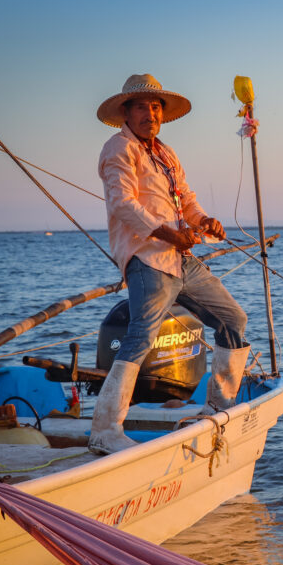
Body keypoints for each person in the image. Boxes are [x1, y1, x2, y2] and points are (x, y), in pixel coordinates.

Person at [89, 73, 249, 455]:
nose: (151, 113)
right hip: (148, 259)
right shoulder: (118, 148)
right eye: (142, 107)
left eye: (156, 106)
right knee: (141, 336)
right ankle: (105, 430)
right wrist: (169, 234)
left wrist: (203, 221)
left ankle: (217, 408)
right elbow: (123, 204)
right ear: (126, 112)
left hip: (182, 260)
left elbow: (186, 200)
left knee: (232, 319)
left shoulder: (166, 152)